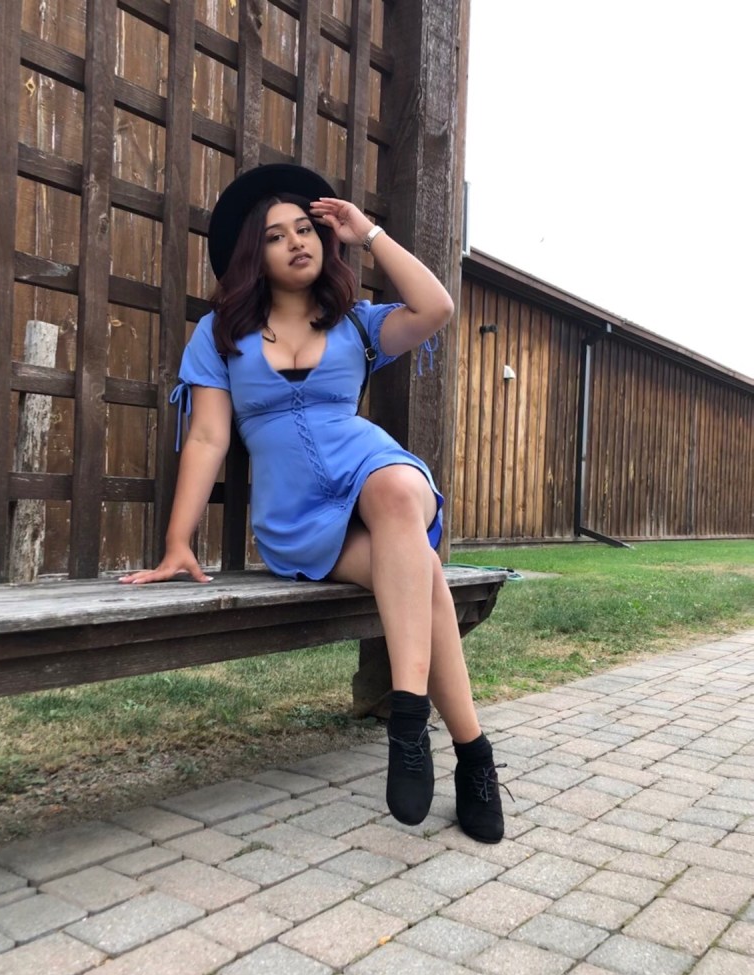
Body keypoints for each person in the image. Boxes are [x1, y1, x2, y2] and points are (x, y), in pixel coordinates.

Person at [120, 163, 506, 843]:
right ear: (255, 254)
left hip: (371, 470)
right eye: (276, 236)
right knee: (422, 573)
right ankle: (474, 754)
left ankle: (409, 722)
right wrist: (178, 542)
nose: (296, 241)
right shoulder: (220, 335)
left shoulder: (357, 323)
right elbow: (208, 437)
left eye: (305, 228)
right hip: (298, 517)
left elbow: (437, 308)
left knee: (397, 492)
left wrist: (368, 233)